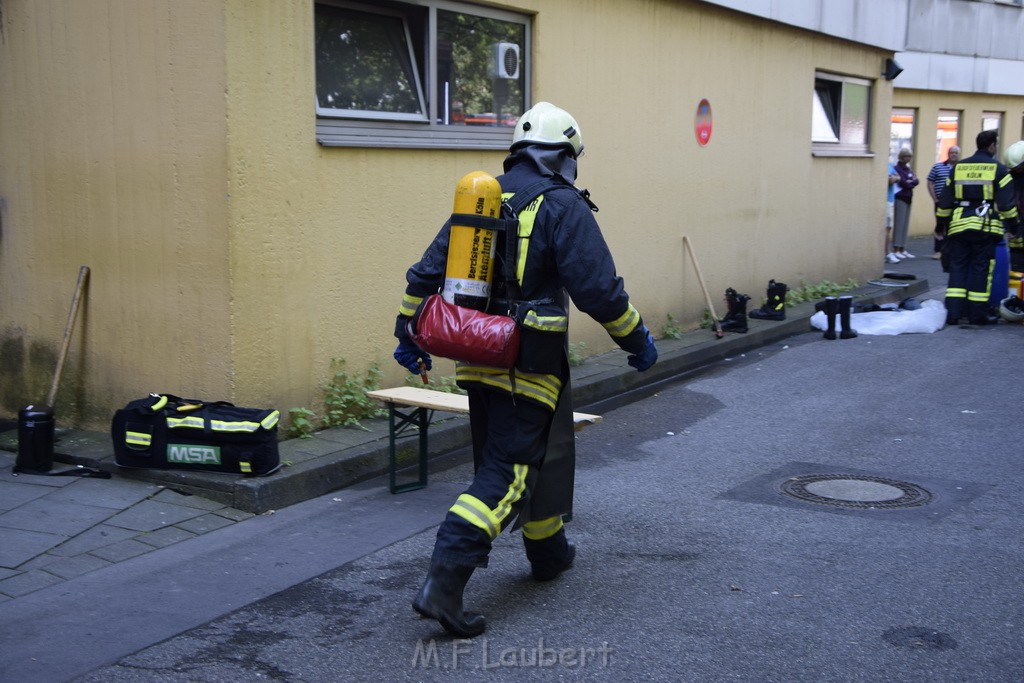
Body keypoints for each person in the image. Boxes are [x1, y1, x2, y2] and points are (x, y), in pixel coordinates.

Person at [392, 101, 658, 637]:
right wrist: (638, 339)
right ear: (564, 156)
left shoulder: (482, 199)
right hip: (528, 362)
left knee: (537, 452)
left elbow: (426, 273)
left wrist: (406, 335)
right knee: (508, 471)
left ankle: (548, 551)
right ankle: (443, 587)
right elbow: (598, 290)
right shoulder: (563, 204)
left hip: (478, 357)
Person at [936, 130, 1020, 325]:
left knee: (958, 268)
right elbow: (1006, 206)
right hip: (985, 228)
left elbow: (945, 202)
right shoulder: (999, 170)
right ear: (991, 146)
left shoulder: (958, 168)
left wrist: (941, 225)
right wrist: (1014, 228)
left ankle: (954, 314)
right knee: (980, 270)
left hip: (958, 226)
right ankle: (977, 315)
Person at [926, 145, 960, 259]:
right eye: (952, 152)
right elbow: (930, 182)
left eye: (956, 153)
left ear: (959, 155)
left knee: (953, 226)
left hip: (957, 203)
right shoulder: (938, 167)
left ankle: (951, 250)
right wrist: (935, 198)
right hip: (940, 202)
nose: (953, 154)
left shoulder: (962, 168)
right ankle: (938, 251)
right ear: (948, 154)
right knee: (940, 225)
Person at [891, 147, 919, 259]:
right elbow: (903, 183)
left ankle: (903, 248)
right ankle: (896, 248)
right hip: (900, 197)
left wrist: (910, 182)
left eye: (910, 156)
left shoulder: (908, 169)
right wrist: (910, 182)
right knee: (899, 223)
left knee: (905, 224)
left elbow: (917, 180)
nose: (909, 158)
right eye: (907, 156)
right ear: (902, 157)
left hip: (908, 197)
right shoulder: (897, 169)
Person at [885, 161, 901, 264]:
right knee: (886, 227)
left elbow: (898, 177)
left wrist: (894, 178)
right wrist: (893, 178)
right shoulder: (882, 164)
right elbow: (888, 180)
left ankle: (887, 252)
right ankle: (887, 253)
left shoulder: (889, 164)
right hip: (886, 200)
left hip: (891, 199)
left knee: (889, 227)